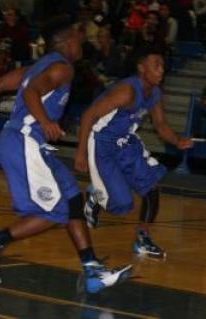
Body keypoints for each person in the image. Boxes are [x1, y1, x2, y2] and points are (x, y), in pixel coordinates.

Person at [0, 17, 132, 294]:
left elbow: (1, 82)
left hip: (29, 144)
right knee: (56, 212)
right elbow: (32, 94)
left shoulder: (39, 66)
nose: (82, 41)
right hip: (24, 141)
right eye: (78, 37)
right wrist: (46, 121)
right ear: (67, 43)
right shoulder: (62, 68)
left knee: (73, 199)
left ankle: (92, 270)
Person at [74, 47, 193, 259]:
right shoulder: (127, 91)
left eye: (163, 66)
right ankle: (94, 196)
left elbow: (160, 124)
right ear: (141, 68)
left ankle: (143, 239)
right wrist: (81, 152)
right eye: (156, 65)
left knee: (152, 185)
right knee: (122, 204)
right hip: (102, 142)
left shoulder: (155, 93)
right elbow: (88, 115)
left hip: (126, 141)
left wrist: (177, 140)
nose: (161, 70)